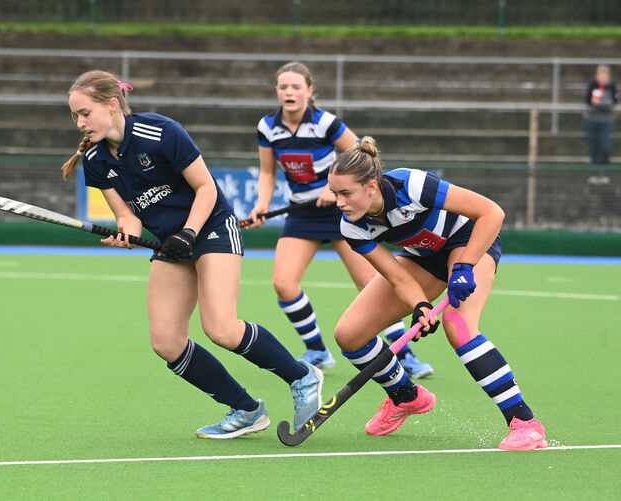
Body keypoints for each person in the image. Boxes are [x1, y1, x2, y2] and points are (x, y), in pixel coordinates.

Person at [61, 69, 323, 439]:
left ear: (112, 104)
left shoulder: (161, 132)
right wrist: (126, 234)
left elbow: (205, 188)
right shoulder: (96, 161)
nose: (80, 123)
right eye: (75, 116)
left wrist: (189, 232)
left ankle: (302, 377)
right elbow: (127, 216)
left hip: (212, 227)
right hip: (171, 243)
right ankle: (246, 410)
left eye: (85, 113)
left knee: (220, 328)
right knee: (166, 343)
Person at [326, 136, 547, 451]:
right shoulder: (352, 226)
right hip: (423, 256)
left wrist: (464, 266)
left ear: (372, 186)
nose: (339, 202)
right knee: (350, 334)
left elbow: (491, 213)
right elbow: (397, 276)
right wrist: (419, 305)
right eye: (335, 194)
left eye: (346, 193)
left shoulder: (410, 185)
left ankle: (525, 423)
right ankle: (406, 398)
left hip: (469, 241)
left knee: (458, 326)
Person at [246, 61, 433, 378]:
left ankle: (405, 353)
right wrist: (261, 204)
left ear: (310, 91)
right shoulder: (267, 127)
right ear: (277, 91)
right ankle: (317, 349)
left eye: (296, 87)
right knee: (283, 283)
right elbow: (267, 171)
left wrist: (330, 190)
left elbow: (361, 153)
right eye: (283, 87)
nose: (289, 92)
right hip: (301, 214)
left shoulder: (325, 123)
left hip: (343, 211)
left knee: (371, 284)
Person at [583, 65, 617, 184]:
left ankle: (602, 173)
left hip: (606, 122)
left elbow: (613, 101)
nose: (602, 78)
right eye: (600, 75)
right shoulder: (592, 85)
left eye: (605, 75)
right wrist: (593, 103)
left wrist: (602, 105)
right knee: (594, 147)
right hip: (592, 120)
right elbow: (587, 100)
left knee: (605, 147)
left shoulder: (612, 86)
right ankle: (595, 174)